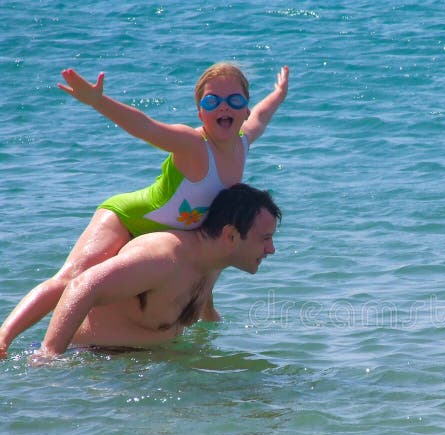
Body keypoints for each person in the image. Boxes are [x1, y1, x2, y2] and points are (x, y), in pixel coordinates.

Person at [0, 62, 289, 358]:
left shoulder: (242, 143)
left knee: (209, 250)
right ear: (200, 112)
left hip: (173, 230)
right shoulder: (193, 145)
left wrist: (278, 94)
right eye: (212, 101)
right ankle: (4, 337)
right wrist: (99, 101)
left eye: (235, 101)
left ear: (245, 110)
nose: (224, 107)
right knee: (70, 277)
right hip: (129, 217)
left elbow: (262, 118)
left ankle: (206, 316)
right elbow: (145, 127)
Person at [31, 184, 280, 360]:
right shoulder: (163, 258)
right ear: (231, 235)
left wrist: (211, 320)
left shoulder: (214, 261)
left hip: (145, 367)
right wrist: (49, 357)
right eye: (265, 238)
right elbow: (81, 286)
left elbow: (199, 296)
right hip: (93, 362)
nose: (272, 249)